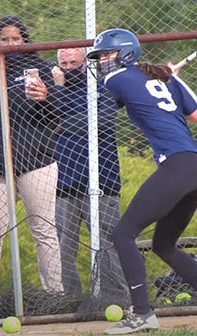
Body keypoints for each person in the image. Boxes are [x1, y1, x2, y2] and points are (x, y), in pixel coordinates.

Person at [87, 29, 197, 334]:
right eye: (100, 56)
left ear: (126, 53)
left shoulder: (115, 80)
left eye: (107, 55)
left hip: (177, 166)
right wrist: (171, 78)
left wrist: (161, 79)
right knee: (164, 245)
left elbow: (106, 109)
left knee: (122, 235)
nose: (102, 62)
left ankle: (142, 313)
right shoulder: (164, 78)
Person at [0, 15, 63, 303]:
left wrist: (48, 95)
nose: (10, 43)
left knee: (44, 230)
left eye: (16, 38)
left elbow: (58, 118)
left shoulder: (45, 71)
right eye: (4, 39)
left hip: (38, 164)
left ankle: (55, 297)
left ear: (25, 41)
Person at [51, 47, 127, 298]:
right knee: (63, 247)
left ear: (85, 62)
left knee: (107, 242)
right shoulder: (52, 88)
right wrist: (59, 90)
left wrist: (64, 124)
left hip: (102, 177)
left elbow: (101, 119)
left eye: (74, 61)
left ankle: (114, 297)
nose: (69, 66)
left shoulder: (102, 85)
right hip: (63, 181)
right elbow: (49, 121)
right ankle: (69, 300)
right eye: (64, 62)